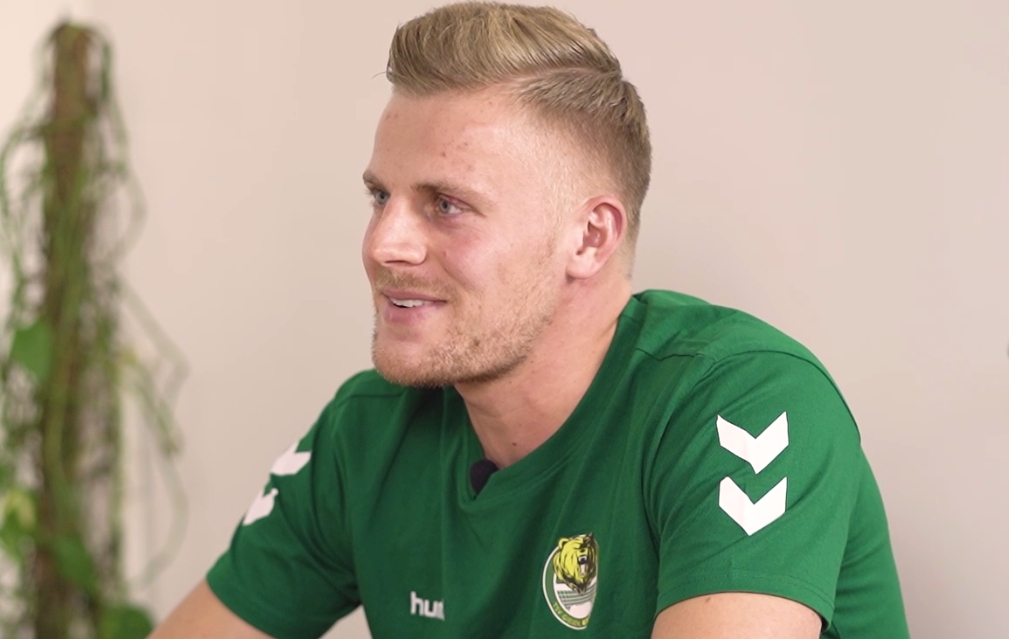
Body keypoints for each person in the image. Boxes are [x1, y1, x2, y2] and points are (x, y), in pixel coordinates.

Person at [152, 3, 909, 638]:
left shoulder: (744, 403)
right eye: (381, 196)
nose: (383, 244)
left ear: (589, 238)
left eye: (446, 205)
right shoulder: (368, 431)